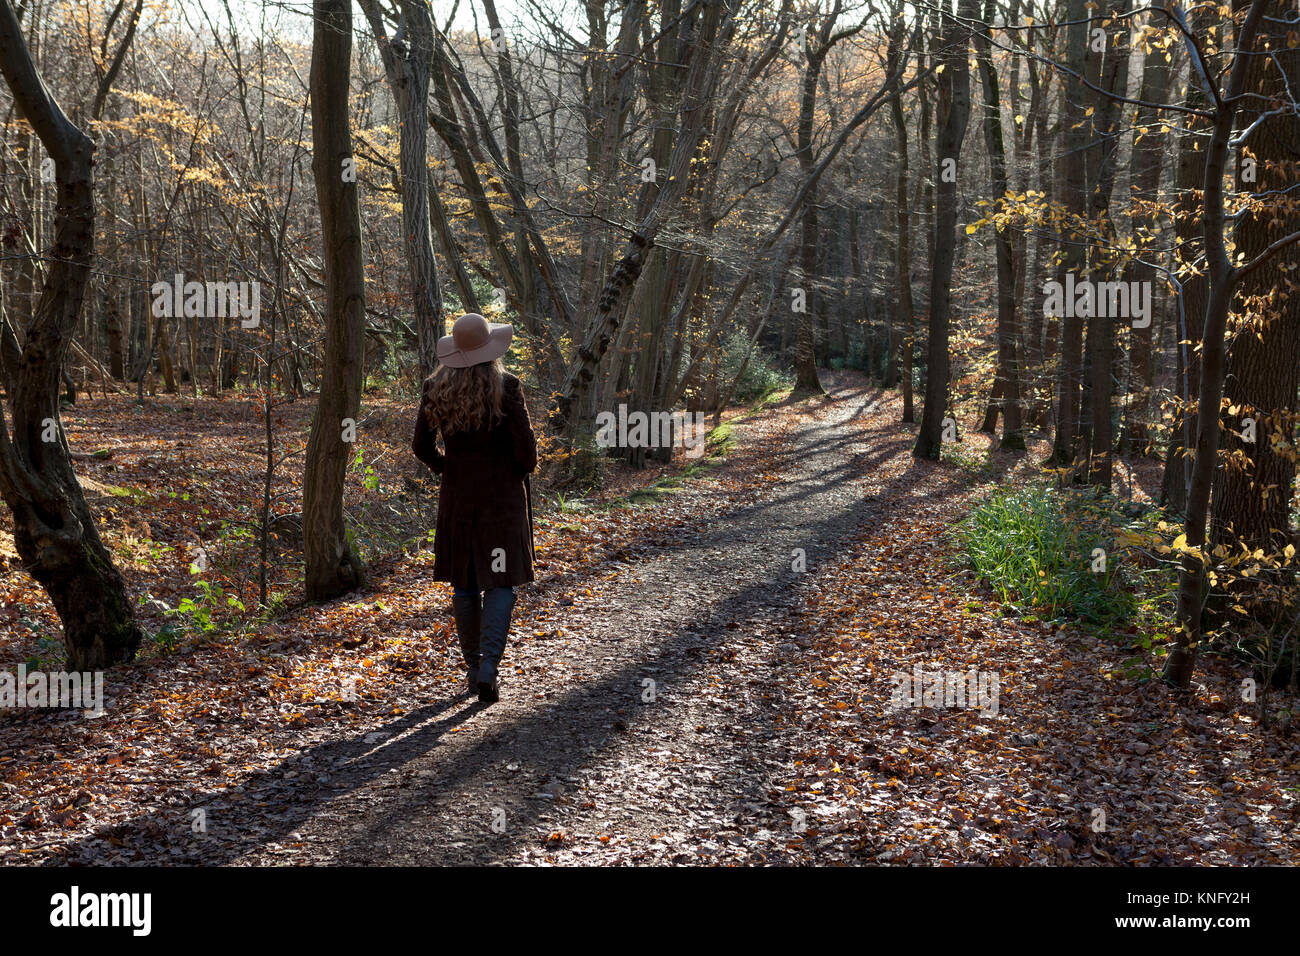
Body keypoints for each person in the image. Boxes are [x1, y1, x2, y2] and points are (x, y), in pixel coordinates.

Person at [412, 313, 537, 703]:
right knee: (499, 581)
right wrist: (507, 473)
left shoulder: (435, 389)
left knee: (465, 583)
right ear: (490, 350)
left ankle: (472, 668)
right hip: (501, 506)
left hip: (459, 503)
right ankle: (488, 670)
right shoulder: (507, 387)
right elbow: (528, 455)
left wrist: (449, 469)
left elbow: (420, 446)